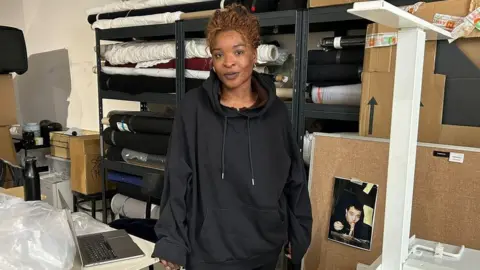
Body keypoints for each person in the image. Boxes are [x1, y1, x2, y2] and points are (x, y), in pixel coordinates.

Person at [152, 4, 312, 270]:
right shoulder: (193, 108)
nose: (229, 62)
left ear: (254, 53)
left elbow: (294, 179)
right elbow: (177, 177)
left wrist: (299, 232)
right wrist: (171, 240)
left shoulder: (276, 114)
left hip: (265, 250)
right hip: (206, 253)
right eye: (218, 54)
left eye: (238, 51)